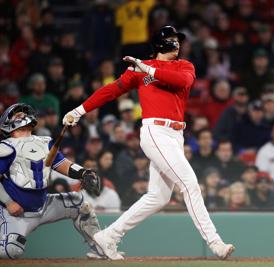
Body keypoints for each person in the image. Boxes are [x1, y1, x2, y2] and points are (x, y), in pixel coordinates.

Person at [63, 26, 234, 260]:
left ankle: (108, 236)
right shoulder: (138, 69)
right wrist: (79, 110)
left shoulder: (184, 66)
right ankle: (215, 242)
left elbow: (181, 81)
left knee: (159, 197)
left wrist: (146, 68)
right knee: (190, 184)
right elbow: (111, 91)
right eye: (172, 39)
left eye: (177, 40)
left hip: (175, 136)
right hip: (155, 131)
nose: (177, 43)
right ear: (160, 44)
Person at [0, 103, 110, 259]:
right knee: (11, 251)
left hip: (44, 205)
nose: (22, 115)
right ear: (7, 123)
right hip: (17, 212)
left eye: (23, 113)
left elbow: (62, 164)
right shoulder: (5, 148)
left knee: (80, 204)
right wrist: (9, 203)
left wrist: (83, 173)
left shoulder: (44, 142)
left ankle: (100, 248)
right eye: (17, 115)